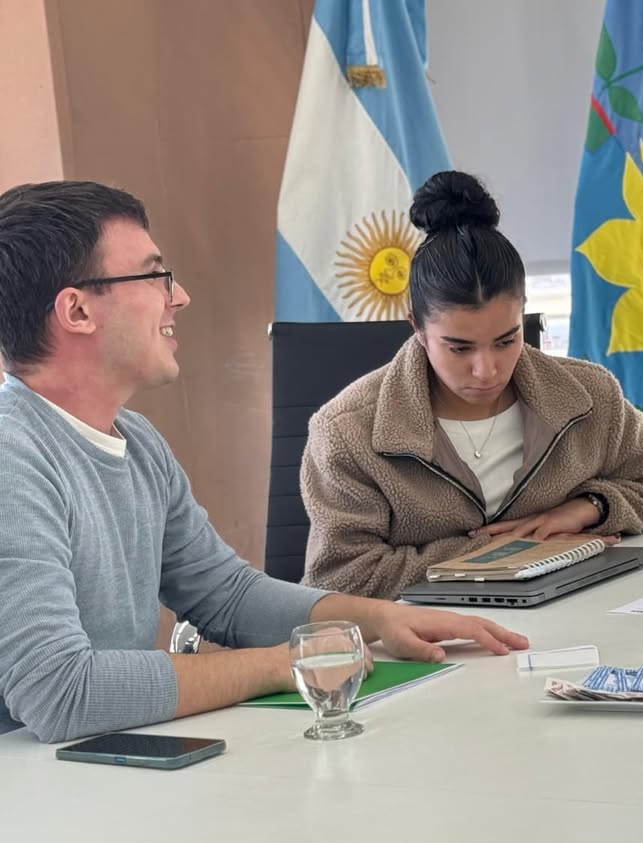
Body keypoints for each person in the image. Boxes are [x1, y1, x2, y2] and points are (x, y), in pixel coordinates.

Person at [0, 181, 528, 744]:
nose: (180, 297)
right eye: (155, 277)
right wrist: (287, 663)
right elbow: (59, 693)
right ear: (77, 310)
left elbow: (226, 595)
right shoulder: (12, 458)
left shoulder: (137, 441)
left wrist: (379, 620)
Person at [301, 171, 643, 598]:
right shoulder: (346, 432)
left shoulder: (590, 396)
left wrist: (591, 508)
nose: (487, 370)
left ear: (523, 314)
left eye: (506, 340)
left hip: (576, 623)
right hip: (431, 634)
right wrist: (506, 553)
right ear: (417, 327)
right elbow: (339, 580)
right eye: (459, 348)